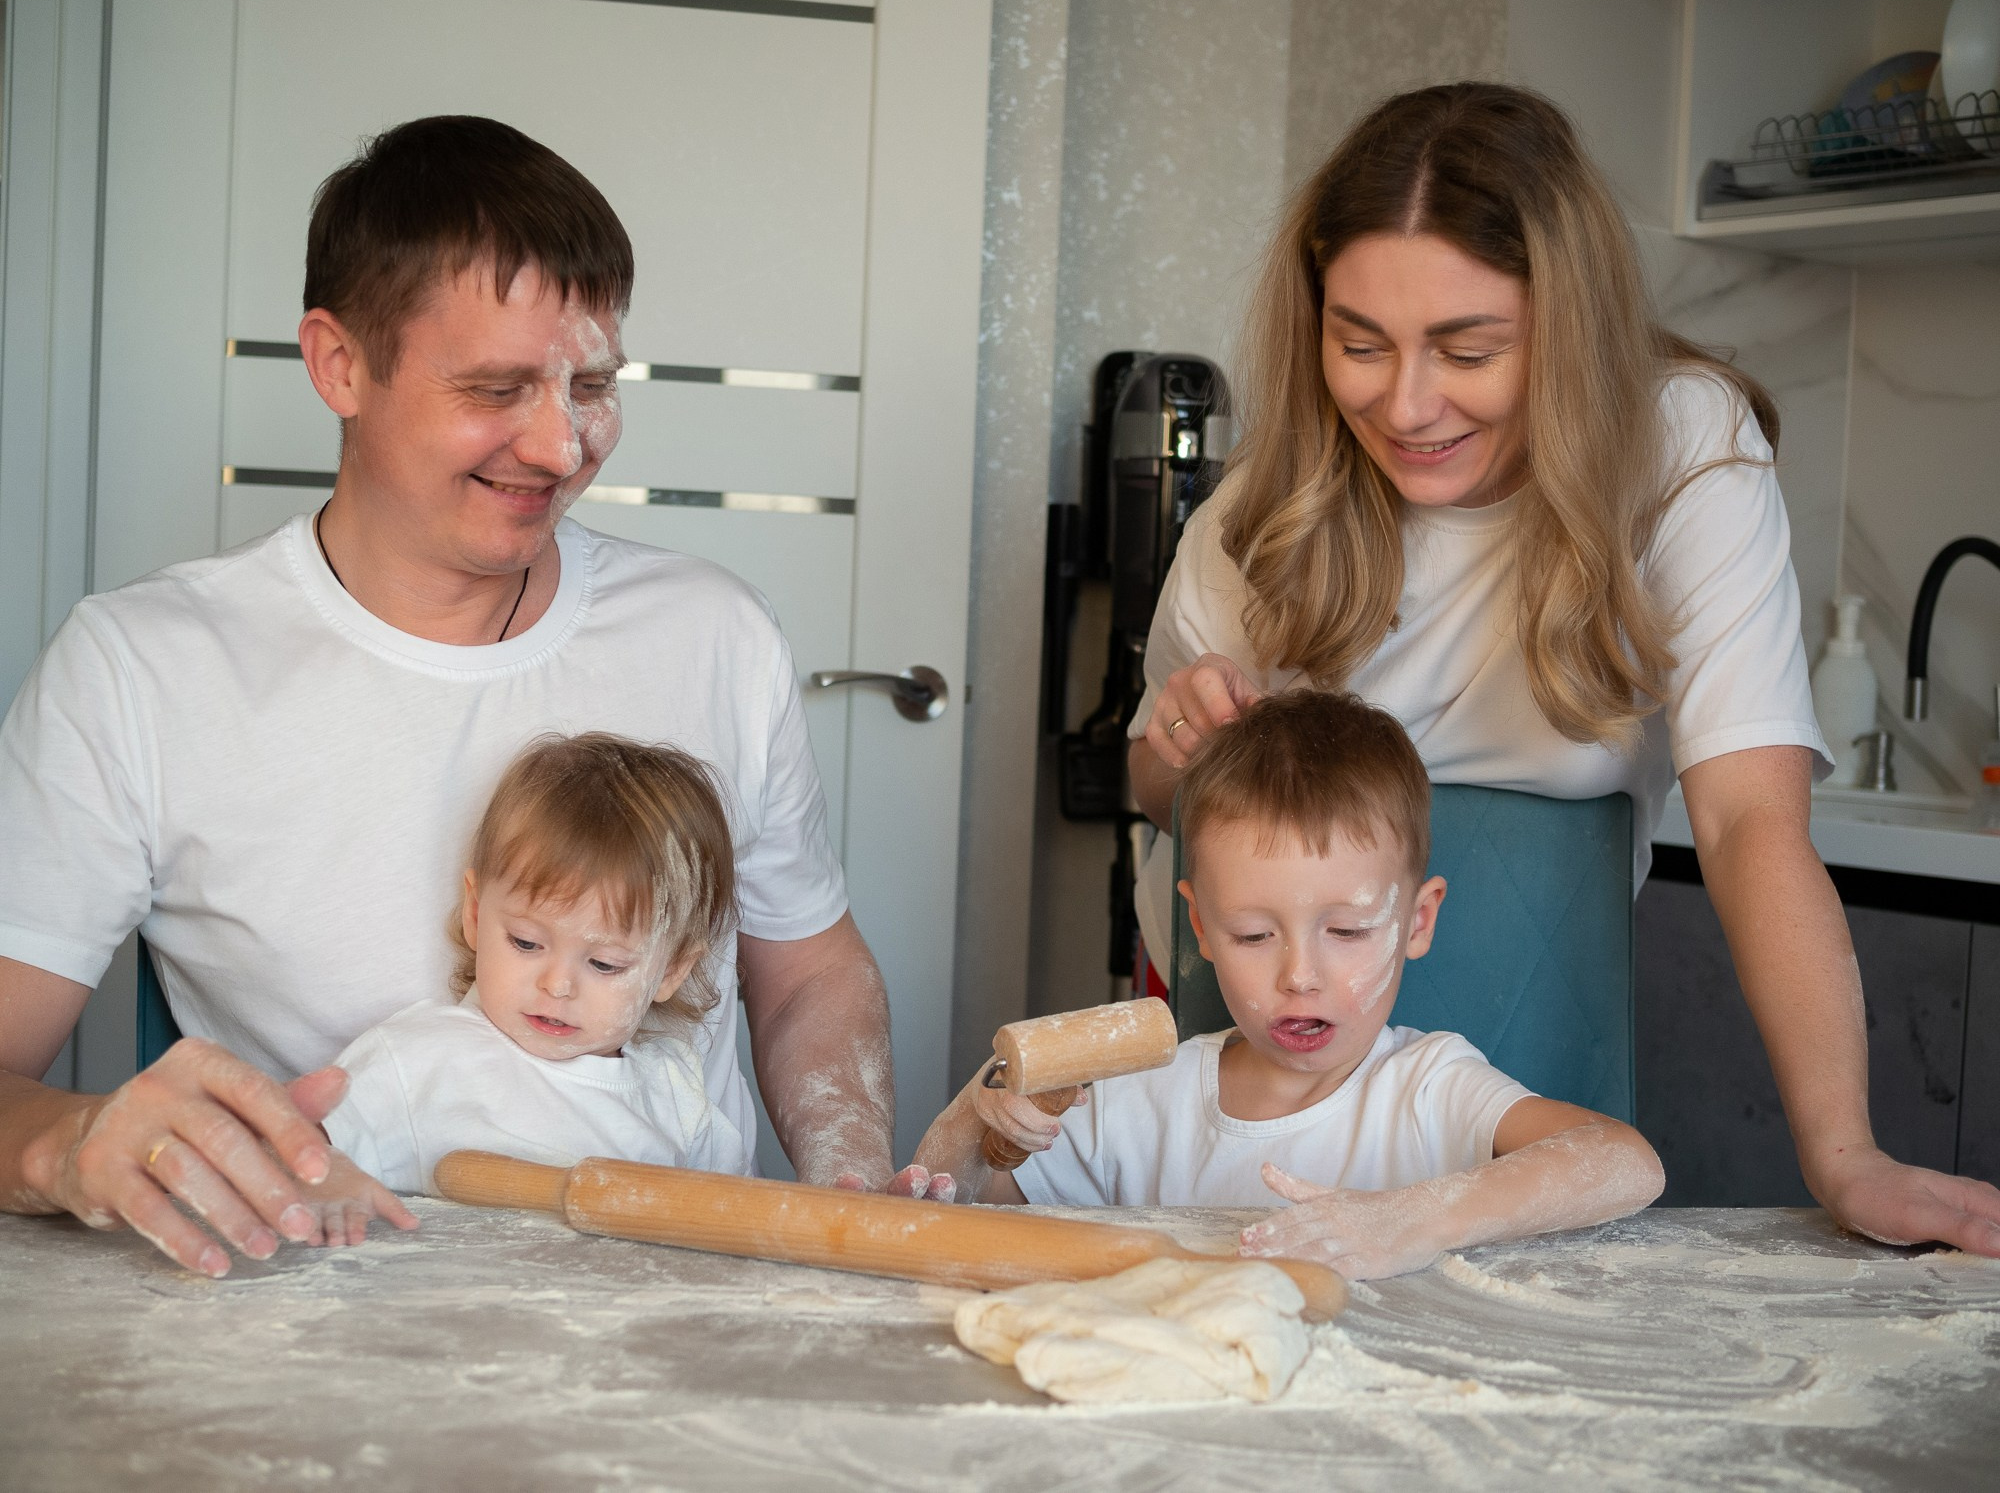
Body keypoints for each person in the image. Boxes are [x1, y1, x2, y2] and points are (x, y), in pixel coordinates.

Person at [0, 115, 941, 1282]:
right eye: (496, 388)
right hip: (332, 1323)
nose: (559, 444)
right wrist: (74, 1145)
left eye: (591, 383)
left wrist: (846, 1178)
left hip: (680, 1317)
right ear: (338, 363)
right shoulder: (141, 669)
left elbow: (806, 968)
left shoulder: (714, 633)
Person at [1123, 83, 2000, 1256]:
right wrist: (1182, 749)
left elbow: (1748, 824)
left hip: (1533, 1035)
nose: (1406, 402)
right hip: (1247, 1051)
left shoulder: (1680, 450)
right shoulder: (1261, 516)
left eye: (1468, 348)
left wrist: (1844, 1155)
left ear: (1567, 322)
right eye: (1358, 344)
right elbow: (1151, 789)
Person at [917, 690, 1663, 1279]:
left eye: (1346, 932)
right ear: (1201, 927)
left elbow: (1625, 1163)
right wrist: (977, 1120)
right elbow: (950, 1210)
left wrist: (1416, 1217)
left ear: (1418, 921)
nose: (1299, 976)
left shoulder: (1429, 1089)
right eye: (1252, 935)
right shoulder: (1135, 1100)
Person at [310, 734, 751, 1218]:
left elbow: (728, 1220)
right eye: (526, 943)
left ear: (670, 971)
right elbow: (296, 1153)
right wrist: (324, 1176)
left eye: (604, 963)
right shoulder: (416, 1061)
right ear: (476, 915)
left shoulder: (672, 1094)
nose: (557, 985)